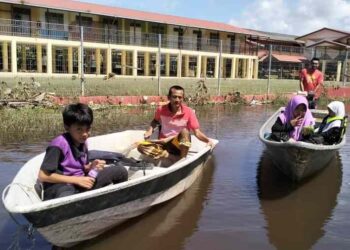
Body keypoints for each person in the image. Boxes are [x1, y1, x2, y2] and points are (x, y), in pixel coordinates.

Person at [38, 103, 128, 200]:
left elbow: (80, 168)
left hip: (81, 183)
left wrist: (91, 167)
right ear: (67, 127)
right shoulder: (58, 145)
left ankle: (116, 201)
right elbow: (43, 176)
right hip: (61, 186)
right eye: (79, 129)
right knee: (67, 196)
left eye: (88, 129)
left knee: (120, 171)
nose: (85, 134)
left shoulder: (82, 142)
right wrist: (76, 180)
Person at [138, 85, 213, 162]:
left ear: (183, 98)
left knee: (185, 131)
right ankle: (168, 155)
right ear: (169, 97)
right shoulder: (161, 110)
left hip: (179, 145)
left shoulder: (189, 112)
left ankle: (182, 160)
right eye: (174, 97)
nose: (177, 100)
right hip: (163, 144)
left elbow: (197, 132)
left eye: (180, 97)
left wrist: (208, 141)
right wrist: (150, 130)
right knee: (141, 147)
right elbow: (155, 121)